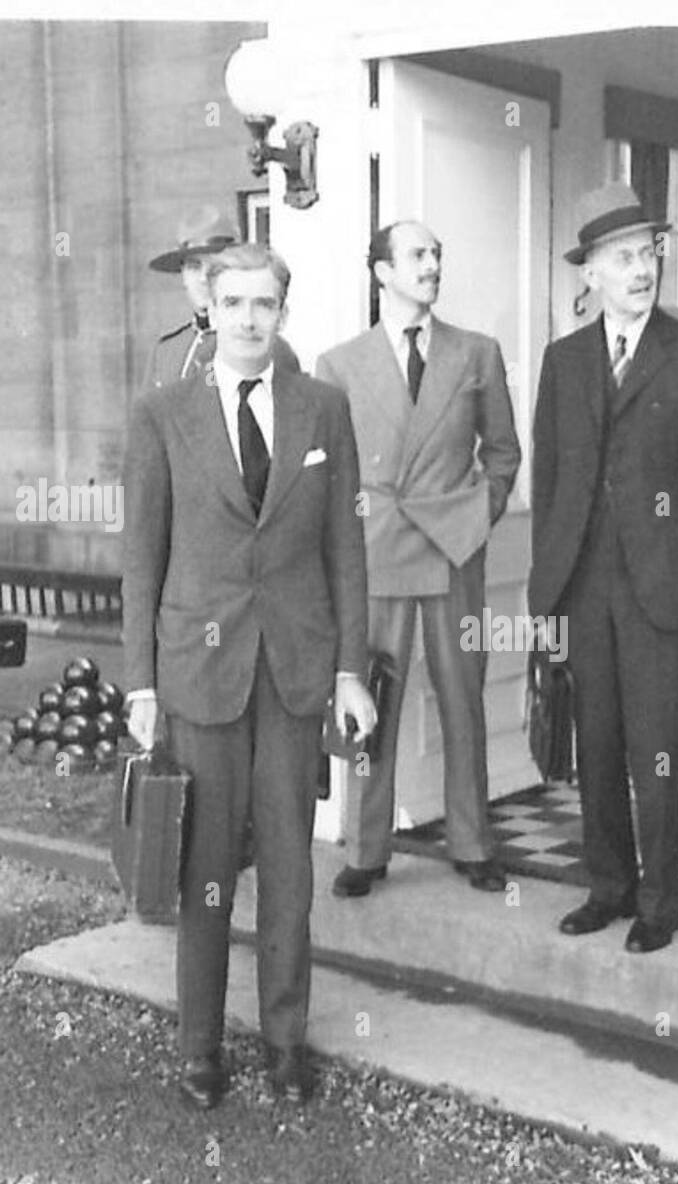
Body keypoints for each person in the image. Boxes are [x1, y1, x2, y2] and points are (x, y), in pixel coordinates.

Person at [123, 242, 376, 1109]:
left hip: (296, 671)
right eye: (232, 303)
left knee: (290, 870)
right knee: (205, 865)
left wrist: (351, 667)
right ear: (211, 310)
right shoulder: (162, 415)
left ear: (282, 311)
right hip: (200, 672)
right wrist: (141, 684)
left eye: (263, 303)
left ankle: (284, 1041)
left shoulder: (323, 410)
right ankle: (199, 1047)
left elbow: (346, 547)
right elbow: (141, 559)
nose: (247, 319)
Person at [527, 184, 678, 953]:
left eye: (648, 253)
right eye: (622, 257)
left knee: (661, 747)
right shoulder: (562, 361)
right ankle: (608, 887)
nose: (640, 268)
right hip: (584, 584)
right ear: (588, 273)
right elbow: (551, 479)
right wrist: (544, 594)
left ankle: (661, 901)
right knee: (598, 743)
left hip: (665, 585)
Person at [316, 221, 522, 899]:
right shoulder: (340, 363)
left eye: (438, 253)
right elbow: (331, 471)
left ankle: (471, 841)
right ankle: (367, 848)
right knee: (370, 701)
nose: (433, 264)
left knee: (463, 698)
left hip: (451, 550)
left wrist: (476, 514)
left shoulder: (477, 352)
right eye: (417, 255)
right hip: (377, 556)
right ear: (381, 271)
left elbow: (503, 453)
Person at [143, 206, 301, 389]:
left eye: (213, 267)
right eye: (194, 267)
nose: (203, 278)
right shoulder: (166, 351)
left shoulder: (264, 346)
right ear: (183, 276)